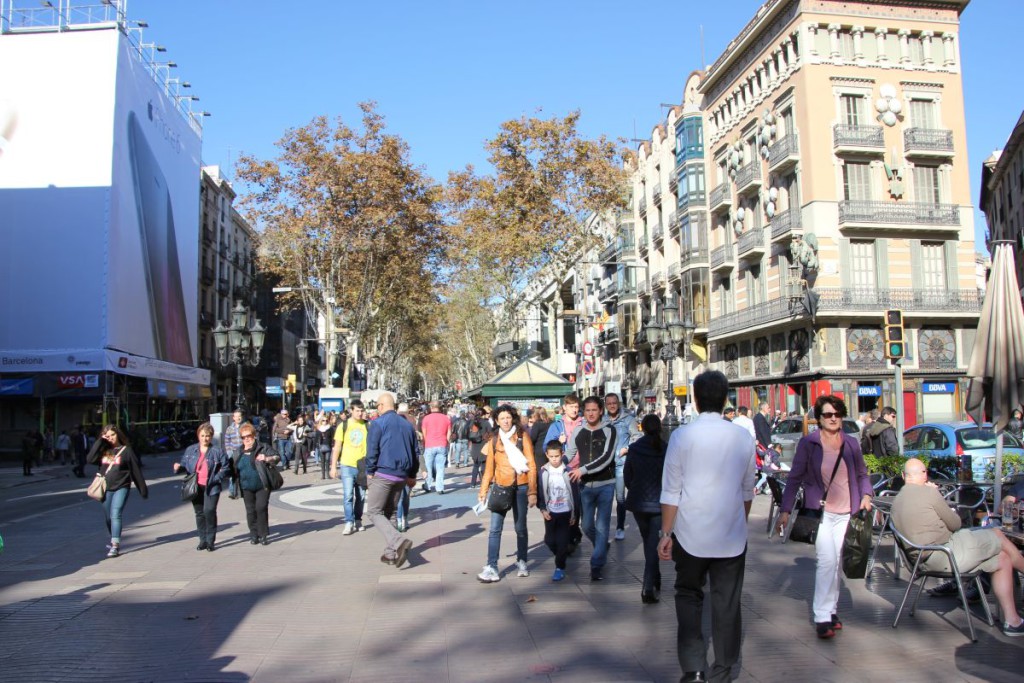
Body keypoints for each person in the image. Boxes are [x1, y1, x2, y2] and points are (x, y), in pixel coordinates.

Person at [657, 371, 755, 683]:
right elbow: (748, 490)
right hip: (731, 536)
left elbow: (671, 490)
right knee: (727, 602)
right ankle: (724, 669)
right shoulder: (742, 437)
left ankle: (694, 668)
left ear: (696, 400)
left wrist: (666, 533)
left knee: (688, 596)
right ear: (726, 399)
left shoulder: (682, 436)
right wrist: (739, 520)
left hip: (689, 533)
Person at [893, 458, 1024, 636]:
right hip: (943, 555)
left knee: (1002, 558)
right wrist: (936, 495)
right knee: (998, 535)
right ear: (924, 474)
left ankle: (1012, 621)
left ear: (903, 476)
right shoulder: (929, 493)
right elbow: (955, 524)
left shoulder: (896, 501)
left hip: (920, 561)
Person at [778, 395, 873, 639]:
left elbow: (862, 474)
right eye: (828, 415)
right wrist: (786, 510)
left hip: (847, 513)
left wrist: (866, 495)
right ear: (819, 419)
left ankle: (831, 611)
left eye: (837, 414)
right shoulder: (809, 444)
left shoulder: (851, 443)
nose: (833, 418)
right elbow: (794, 478)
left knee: (837, 562)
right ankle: (821, 616)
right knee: (827, 562)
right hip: (819, 513)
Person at [477, 404, 537, 583]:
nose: (505, 421)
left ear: (513, 419)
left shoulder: (522, 436)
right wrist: (483, 490)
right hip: (501, 486)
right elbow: (489, 468)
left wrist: (533, 491)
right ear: (496, 420)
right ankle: (492, 566)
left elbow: (532, 464)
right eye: (502, 418)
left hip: (521, 486)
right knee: (495, 529)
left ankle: (522, 561)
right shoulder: (494, 440)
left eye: (508, 418)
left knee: (520, 528)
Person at [566, 396, 618, 582]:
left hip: (605, 484)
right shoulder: (578, 431)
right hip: (585, 486)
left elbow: (607, 458)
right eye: (587, 410)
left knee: (602, 526)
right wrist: (555, 464)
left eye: (594, 410)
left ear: (601, 411)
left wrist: (582, 469)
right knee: (586, 525)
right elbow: (569, 453)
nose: (590, 413)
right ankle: (601, 546)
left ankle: (596, 566)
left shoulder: (609, 430)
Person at [365, 392, 417, 568]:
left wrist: (369, 471)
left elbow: (372, 449)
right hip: (402, 475)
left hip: (384, 473)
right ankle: (391, 553)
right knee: (392, 512)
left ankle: (398, 541)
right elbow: (415, 451)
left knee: (373, 511)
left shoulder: (378, 423)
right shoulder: (407, 424)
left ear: (380, 406)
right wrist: (412, 474)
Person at [86, 425, 148, 558]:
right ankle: (114, 536)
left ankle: (115, 545)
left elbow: (136, 471)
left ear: (118, 434)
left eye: (113, 435)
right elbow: (90, 459)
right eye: (108, 436)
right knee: (108, 517)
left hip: (122, 486)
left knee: (116, 514)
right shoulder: (105, 450)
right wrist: (100, 442)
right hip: (105, 488)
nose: (111, 438)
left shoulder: (126, 451)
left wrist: (142, 489)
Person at [624, 413, 667, 604]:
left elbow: (627, 475)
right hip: (659, 503)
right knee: (652, 543)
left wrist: (633, 488)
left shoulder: (634, 448)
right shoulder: (666, 449)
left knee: (648, 540)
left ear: (642, 428)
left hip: (639, 502)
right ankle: (648, 587)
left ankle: (654, 576)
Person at [174, 423, 231, 551]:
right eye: (202, 435)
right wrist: (178, 467)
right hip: (196, 486)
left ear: (211, 437)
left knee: (209, 511)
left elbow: (226, 467)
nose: (205, 438)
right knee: (199, 513)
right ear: (198, 436)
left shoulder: (217, 451)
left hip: (212, 486)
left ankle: (210, 541)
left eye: (208, 436)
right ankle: (202, 540)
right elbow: (185, 464)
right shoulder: (191, 450)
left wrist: (216, 478)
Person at [233, 422, 279, 545]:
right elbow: (233, 468)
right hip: (246, 486)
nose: (247, 439)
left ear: (254, 435)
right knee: (250, 511)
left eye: (249, 436)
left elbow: (277, 457)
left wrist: (267, 458)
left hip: (262, 484)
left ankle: (263, 535)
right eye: (244, 437)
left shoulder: (263, 447)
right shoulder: (238, 452)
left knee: (261, 508)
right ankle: (254, 535)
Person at [605, 393, 640, 542]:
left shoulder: (628, 419)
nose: (612, 405)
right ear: (605, 405)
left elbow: (637, 436)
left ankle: (619, 527)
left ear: (618, 404)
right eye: (609, 403)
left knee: (620, 497)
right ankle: (605, 528)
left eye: (614, 403)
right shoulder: (603, 420)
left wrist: (626, 448)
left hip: (620, 464)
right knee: (605, 499)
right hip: (605, 465)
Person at [537, 440, 574, 582]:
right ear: (547, 455)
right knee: (549, 540)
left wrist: (574, 513)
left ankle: (560, 567)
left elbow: (574, 494)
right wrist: (542, 508)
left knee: (562, 541)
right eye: (551, 456)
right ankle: (561, 553)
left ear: (562, 454)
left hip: (565, 511)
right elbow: (541, 491)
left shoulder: (568, 471)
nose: (554, 459)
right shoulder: (544, 471)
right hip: (551, 512)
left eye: (557, 456)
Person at [330, 399, 368, 535]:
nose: (360, 413)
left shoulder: (367, 425)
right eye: (357, 410)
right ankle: (349, 521)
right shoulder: (343, 426)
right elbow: (337, 447)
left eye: (361, 410)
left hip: (363, 466)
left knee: (361, 496)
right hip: (347, 464)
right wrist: (333, 466)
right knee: (348, 495)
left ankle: (358, 519)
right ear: (351, 411)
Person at [419, 400, 452, 494]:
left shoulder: (426, 418)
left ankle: (428, 486)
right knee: (440, 467)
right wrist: (447, 442)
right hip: (442, 444)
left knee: (428, 467)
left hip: (429, 444)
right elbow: (449, 433)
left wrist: (424, 443)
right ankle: (440, 488)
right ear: (440, 407)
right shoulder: (446, 418)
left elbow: (424, 433)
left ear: (431, 407)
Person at [468, 409, 491, 488]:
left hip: (474, 446)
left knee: (475, 466)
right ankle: (484, 482)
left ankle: (472, 483)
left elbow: (468, 433)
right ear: (483, 414)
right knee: (484, 466)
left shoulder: (472, 423)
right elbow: (491, 433)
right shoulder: (486, 423)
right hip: (483, 446)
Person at [314, 415, 335, 480]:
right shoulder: (318, 429)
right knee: (322, 461)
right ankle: (323, 475)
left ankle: (327, 475)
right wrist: (314, 448)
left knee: (327, 460)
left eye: (326, 420)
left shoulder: (330, 428)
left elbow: (333, 437)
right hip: (321, 446)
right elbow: (316, 438)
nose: (325, 422)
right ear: (321, 421)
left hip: (328, 446)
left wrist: (333, 444)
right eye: (323, 420)